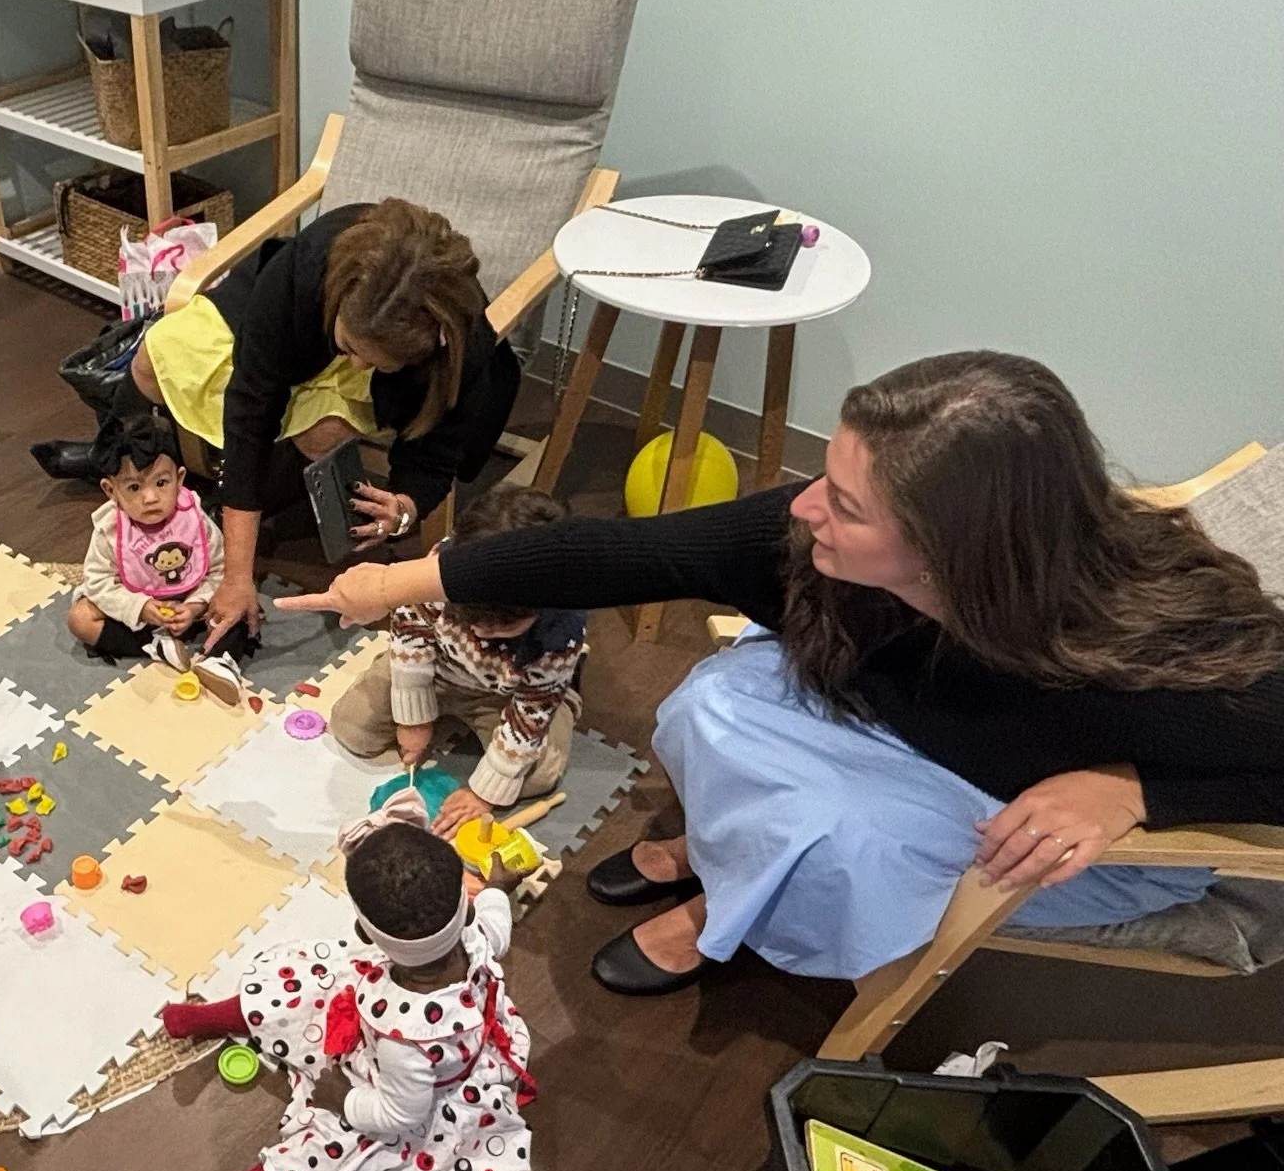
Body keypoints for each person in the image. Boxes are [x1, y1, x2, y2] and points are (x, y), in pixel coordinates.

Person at [280, 352, 1284, 994]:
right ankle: (719, 854)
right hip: (900, 722)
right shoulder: (813, 547)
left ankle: (727, 909)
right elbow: (623, 552)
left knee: (837, 841)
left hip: (1013, 812)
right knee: (713, 697)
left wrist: (1128, 789)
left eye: (843, 505)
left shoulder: (1151, 651)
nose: (804, 511)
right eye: (824, 479)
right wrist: (401, 580)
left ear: (949, 552)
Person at [129, 198, 522, 652]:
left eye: (371, 361)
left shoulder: (461, 347)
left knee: (324, 432)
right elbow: (250, 414)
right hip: (292, 315)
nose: (354, 363)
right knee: (149, 363)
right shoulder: (308, 268)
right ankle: (132, 454)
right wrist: (237, 576)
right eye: (349, 346)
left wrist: (405, 509)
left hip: (374, 357)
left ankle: (237, 500)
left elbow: (435, 457)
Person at [165, 792, 533, 1171]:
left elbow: (400, 1114)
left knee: (336, 1149)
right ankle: (214, 1017)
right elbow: (498, 929)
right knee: (304, 987)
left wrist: (345, 1101)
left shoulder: (406, 1045)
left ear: (367, 930)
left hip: (414, 1094)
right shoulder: (473, 933)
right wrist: (498, 888)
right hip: (394, 1026)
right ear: (464, 905)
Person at [329, 488, 586, 836]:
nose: (482, 630)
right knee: (351, 729)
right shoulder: (441, 568)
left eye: (503, 627)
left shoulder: (559, 632)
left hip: (508, 695)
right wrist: (413, 718)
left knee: (540, 774)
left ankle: (563, 699)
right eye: (472, 620)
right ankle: (432, 709)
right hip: (437, 669)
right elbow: (411, 630)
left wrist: (483, 793)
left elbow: (528, 718)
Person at [65, 405, 253, 664]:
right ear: (111, 491)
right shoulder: (110, 528)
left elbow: (221, 572)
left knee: (241, 602)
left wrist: (195, 606)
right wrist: (140, 608)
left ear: (180, 479)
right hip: (140, 613)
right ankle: (156, 647)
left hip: (192, 604)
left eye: (161, 483)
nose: (150, 498)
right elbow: (98, 583)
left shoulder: (193, 517)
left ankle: (220, 661)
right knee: (80, 618)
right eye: (133, 487)